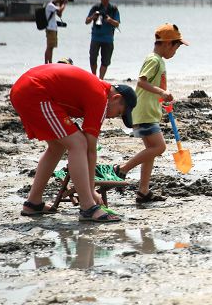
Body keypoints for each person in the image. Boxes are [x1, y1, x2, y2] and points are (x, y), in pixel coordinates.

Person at [10, 63, 136, 223]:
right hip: (34, 92)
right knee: (78, 143)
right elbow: (91, 149)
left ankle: (33, 203)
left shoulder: (97, 91)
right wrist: (91, 193)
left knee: (57, 146)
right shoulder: (100, 98)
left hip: (26, 89)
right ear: (116, 98)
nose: (112, 117)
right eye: (119, 113)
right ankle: (88, 207)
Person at [114, 23, 187, 204]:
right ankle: (122, 169)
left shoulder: (158, 60)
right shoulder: (154, 60)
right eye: (176, 47)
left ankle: (143, 192)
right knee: (159, 148)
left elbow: (152, 88)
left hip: (148, 111)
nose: (175, 52)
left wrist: (162, 100)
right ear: (167, 43)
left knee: (151, 151)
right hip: (144, 112)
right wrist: (162, 93)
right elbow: (141, 82)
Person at [84, 0, 121, 80]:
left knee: (105, 61)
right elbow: (87, 21)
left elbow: (117, 24)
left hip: (108, 38)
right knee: (92, 58)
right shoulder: (95, 8)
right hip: (95, 37)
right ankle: (93, 77)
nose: (103, 0)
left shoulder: (113, 9)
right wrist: (93, 16)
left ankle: (101, 79)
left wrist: (109, 20)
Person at [44, 0, 68, 64]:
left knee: (51, 47)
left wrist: (61, 4)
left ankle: (50, 62)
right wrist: (64, 4)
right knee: (49, 47)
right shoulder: (50, 5)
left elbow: (59, 14)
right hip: (50, 29)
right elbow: (60, 11)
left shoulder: (53, 6)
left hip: (53, 29)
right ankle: (46, 63)